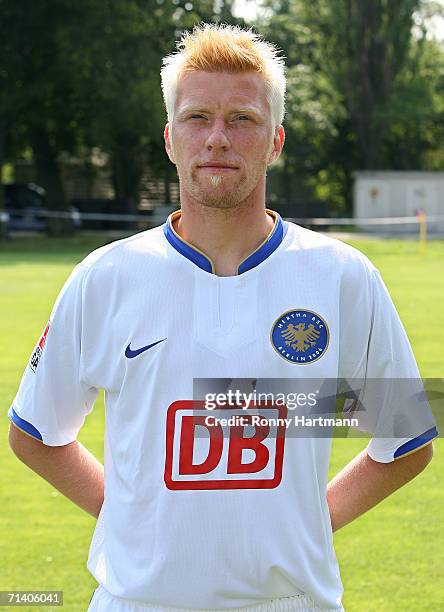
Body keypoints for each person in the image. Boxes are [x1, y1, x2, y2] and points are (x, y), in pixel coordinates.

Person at [8, 23, 437, 612]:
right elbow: (36, 436)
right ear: (169, 137)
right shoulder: (104, 276)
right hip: (139, 603)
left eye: (242, 119)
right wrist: (128, 516)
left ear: (276, 140)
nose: (217, 139)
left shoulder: (343, 276)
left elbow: (407, 440)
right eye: (196, 118)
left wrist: (310, 526)